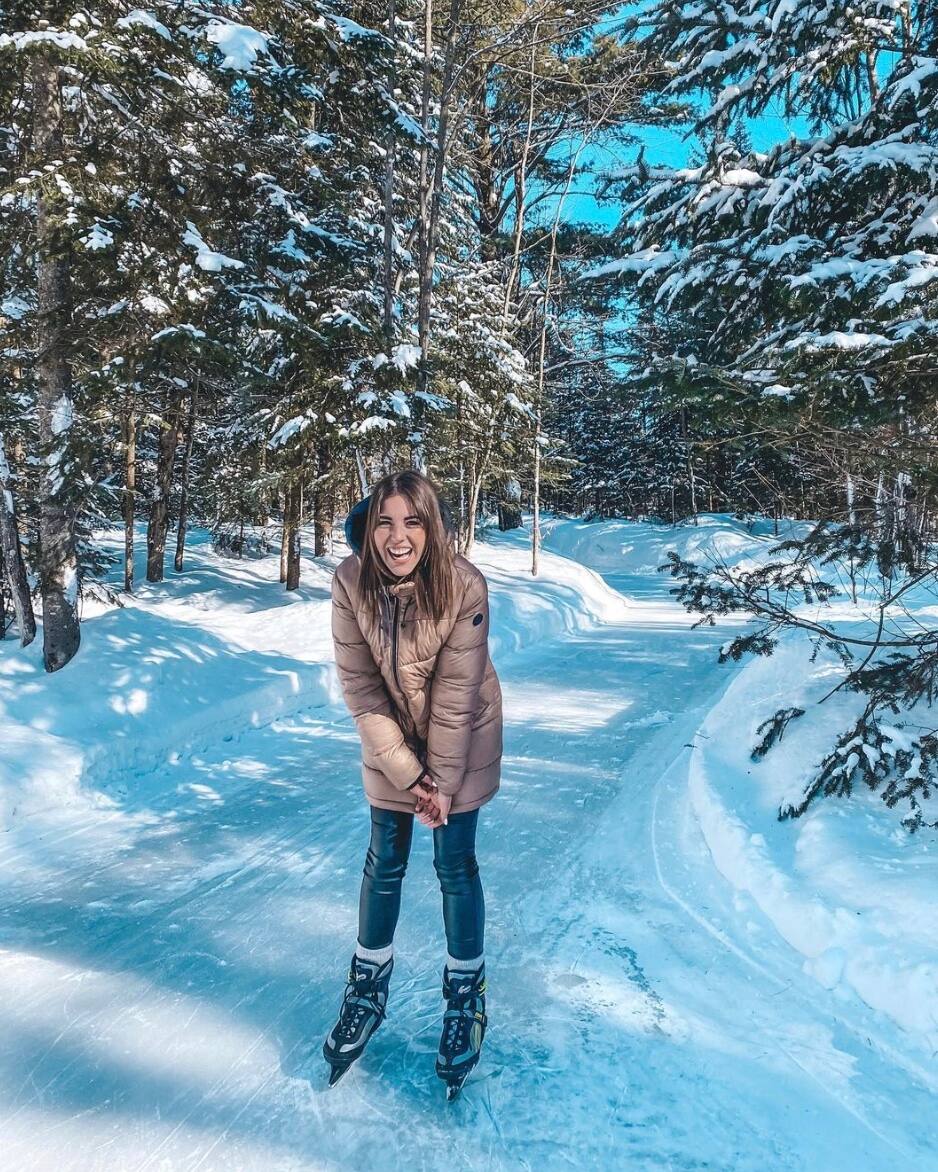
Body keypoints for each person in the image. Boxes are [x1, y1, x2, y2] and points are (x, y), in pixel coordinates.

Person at [323, 469, 502, 1099]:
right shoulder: (350, 582)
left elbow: (455, 697)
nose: (398, 538)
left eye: (412, 522)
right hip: (391, 738)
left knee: (454, 862)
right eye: (384, 523)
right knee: (385, 857)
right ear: (368, 529)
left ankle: (466, 994)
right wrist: (409, 773)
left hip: (464, 736)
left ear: (432, 527)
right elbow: (361, 689)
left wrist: (441, 784)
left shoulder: (464, 586)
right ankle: (367, 985)